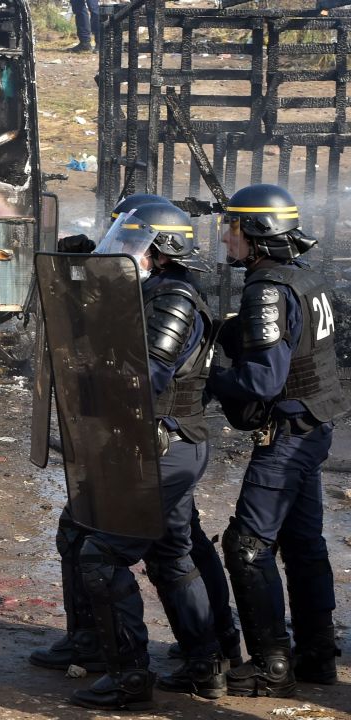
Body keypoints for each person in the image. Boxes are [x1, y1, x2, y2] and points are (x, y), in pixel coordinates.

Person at [31, 196, 241, 688]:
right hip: (141, 442)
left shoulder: (174, 299)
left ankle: (131, 672)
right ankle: (174, 656)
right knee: (115, 539)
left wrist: (92, 360)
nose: (122, 251)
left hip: (164, 445)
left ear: (161, 251)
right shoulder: (149, 290)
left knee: (102, 553)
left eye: (133, 243)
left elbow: (145, 376)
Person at [208, 183, 347, 697]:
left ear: (257, 234)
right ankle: (317, 658)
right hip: (314, 426)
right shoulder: (306, 278)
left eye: (234, 228)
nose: (226, 238)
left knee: (247, 546)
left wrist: (209, 378)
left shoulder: (266, 288)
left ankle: (271, 666)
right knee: (303, 543)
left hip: (289, 433)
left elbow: (261, 382)